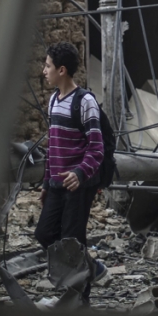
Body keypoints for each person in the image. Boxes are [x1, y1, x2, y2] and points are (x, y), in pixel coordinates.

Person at [35, 42, 106, 291]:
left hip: (78, 186)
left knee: (71, 241)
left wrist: (79, 173)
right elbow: (52, 148)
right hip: (56, 185)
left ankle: (80, 299)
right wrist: (46, 183)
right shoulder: (54, 100)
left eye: (48, 66)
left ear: (62, 70)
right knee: (44, 234)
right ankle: (90, 266)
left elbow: (97, 148)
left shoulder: (85, 101)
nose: (44, 70)